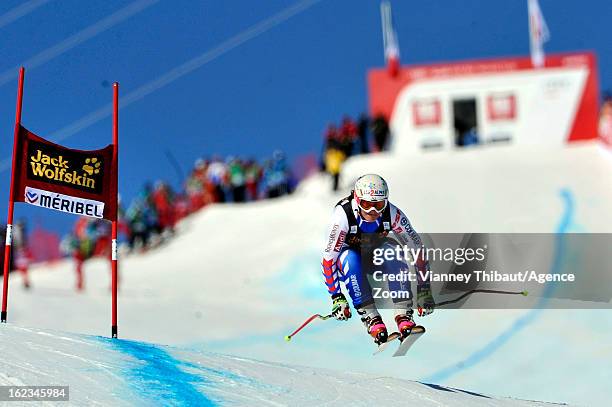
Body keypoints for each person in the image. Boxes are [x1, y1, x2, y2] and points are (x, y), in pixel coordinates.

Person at [320, 174, 435, 344]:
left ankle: (403, 314)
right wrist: (337, 297)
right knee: (349, 259)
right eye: (367, 205)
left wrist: (424, 289)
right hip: (352, 260)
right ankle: (371, 317)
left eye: (379, 205)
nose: (373, 211)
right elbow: (329, 259)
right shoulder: (343, 215)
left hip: (375, 255)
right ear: (357, 200)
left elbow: (416, 249)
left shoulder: (392, 213)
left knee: (394, 252)